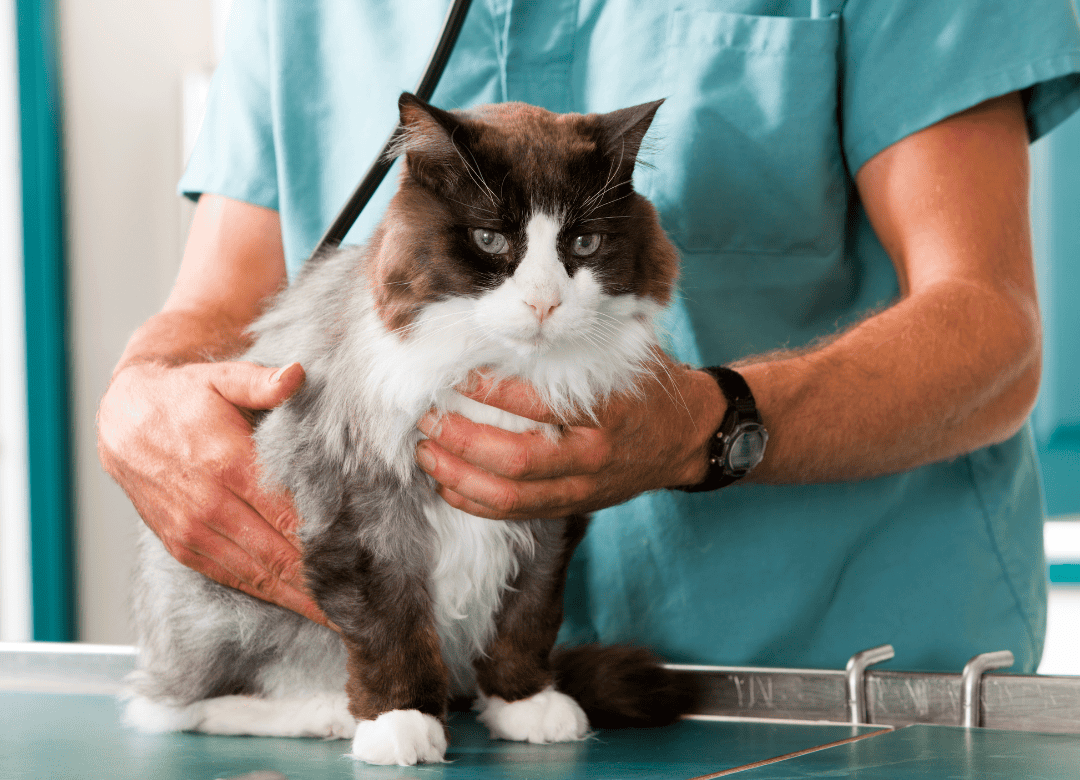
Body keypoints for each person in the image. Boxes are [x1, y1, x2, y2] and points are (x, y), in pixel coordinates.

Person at [98, 0, 1080, 673]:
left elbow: (992, 330)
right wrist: (141, 394)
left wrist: (708, 425)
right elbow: (218, 307)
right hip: (449, 704)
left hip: (840, 689)